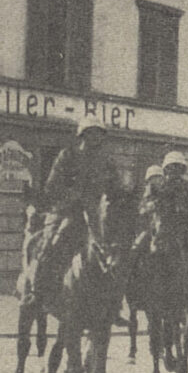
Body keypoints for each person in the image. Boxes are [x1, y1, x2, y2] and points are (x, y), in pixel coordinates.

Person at [31, 115, 126, 305]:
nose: (95, 138)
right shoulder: (68, 156)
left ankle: (111, 303)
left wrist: (122, 195)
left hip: (95, 214)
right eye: (91, 133)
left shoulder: (106, 162)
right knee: (51, 243)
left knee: (111, 251)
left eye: (99, 134)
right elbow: (52, 185)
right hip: (66, 211)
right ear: (82, 135)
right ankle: (37, 292)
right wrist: (72, 194)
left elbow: (116, 189)